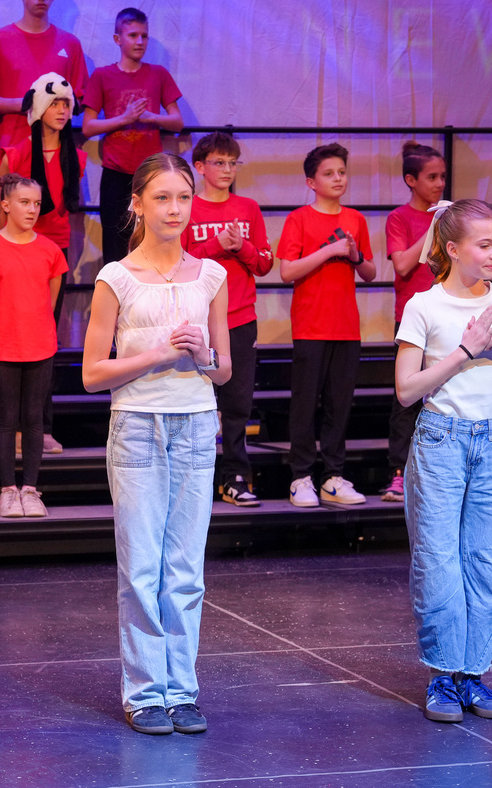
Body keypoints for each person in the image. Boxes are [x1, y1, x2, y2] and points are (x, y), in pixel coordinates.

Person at [82, 153, 230, 736]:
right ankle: (146, 692)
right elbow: (94, 373)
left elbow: (223, 371)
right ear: (137, 204)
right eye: (162, 198)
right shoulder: (115, 278)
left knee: (186, 569)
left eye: (184, 198)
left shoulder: (211, 276)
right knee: (142, 566)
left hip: (196, 426)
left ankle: (182, 688)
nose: (175, 209)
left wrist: (200, 356)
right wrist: (157, 356)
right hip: (139, 427)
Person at [395, 199, 492, 723]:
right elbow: (407, 390)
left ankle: (473, 674)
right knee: (438, 561)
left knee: (490, 561)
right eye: (485, 245)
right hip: (440, 441)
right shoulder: (425, 306)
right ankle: (442, 674)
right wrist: (466, 350)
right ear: (453, 249)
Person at [278, 143, 376, 508]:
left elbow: (369, 273)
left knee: (340, 405)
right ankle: (301, 477)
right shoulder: (299, 219)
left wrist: (354, 255)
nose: (338, 179)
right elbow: (287, 270)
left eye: (342, 172)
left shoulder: (356, 219)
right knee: (305, 405)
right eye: (329, 173)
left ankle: (333, 476)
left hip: (346, 327)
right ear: (311, 181)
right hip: (310, 327)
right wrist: (329, 252)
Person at [0, 174, 67, 518]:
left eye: (37, 203)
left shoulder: (50, 251)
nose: (32, 209)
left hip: (40, 345)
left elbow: (50, 300)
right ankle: (9, 490)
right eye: (25, 202)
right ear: (6, 205)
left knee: (35, 419)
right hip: (2, 346)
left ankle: (31, 490)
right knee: (7, 418)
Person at [0, 70, 86, 454]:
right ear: (38, 107)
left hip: (55, 251)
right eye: (55, 102)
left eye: (67, 103)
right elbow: (4, 215)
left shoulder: (77, 156)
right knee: (13, 337)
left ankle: (41, 427)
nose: (62, 110)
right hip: (17, 252)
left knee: (45, 339)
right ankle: (13, 428)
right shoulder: (15, 154)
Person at [184, 131, 273, 506]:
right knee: (196, 401)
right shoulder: (188, 207)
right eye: (218, 163)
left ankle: (235, 476)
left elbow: (266, 263)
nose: (226, 169)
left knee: (237, 403)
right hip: (197, 321)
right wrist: (215, 247)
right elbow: (181, 261)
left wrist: (243, 247)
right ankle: (193, 477)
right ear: (200, 167)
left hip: (240, 318)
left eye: (232, 163)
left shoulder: (248, 208)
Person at [82, 6, 183, 266]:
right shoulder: (103, 75)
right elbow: (88, 127)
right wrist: (124, 119)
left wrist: (152, 117)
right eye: (133, 35)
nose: (140, 42)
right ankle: (115, 305)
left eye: (144, 36)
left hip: (150, 174)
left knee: (151, 241)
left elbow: (177, 121)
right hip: (115, 173)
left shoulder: (158, 74)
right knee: (115, 246)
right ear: (118, 39)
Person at [381, 142, 447, 502]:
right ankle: (398, 472)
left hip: (448, 319)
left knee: (443, 396)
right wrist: (434, 225)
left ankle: (436, 473)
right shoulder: (400, 218)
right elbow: (404, 264)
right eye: (431, 177)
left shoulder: (449, 218)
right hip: (413, 319)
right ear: (411, 180)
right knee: (406, 398)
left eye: (442, 177)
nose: (439, 183)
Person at [0, 0, 87, 155]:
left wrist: (53, 105)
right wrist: (27, 103)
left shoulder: (71, 44)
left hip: (57, 151)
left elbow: (81, 100)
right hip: (12, 150)